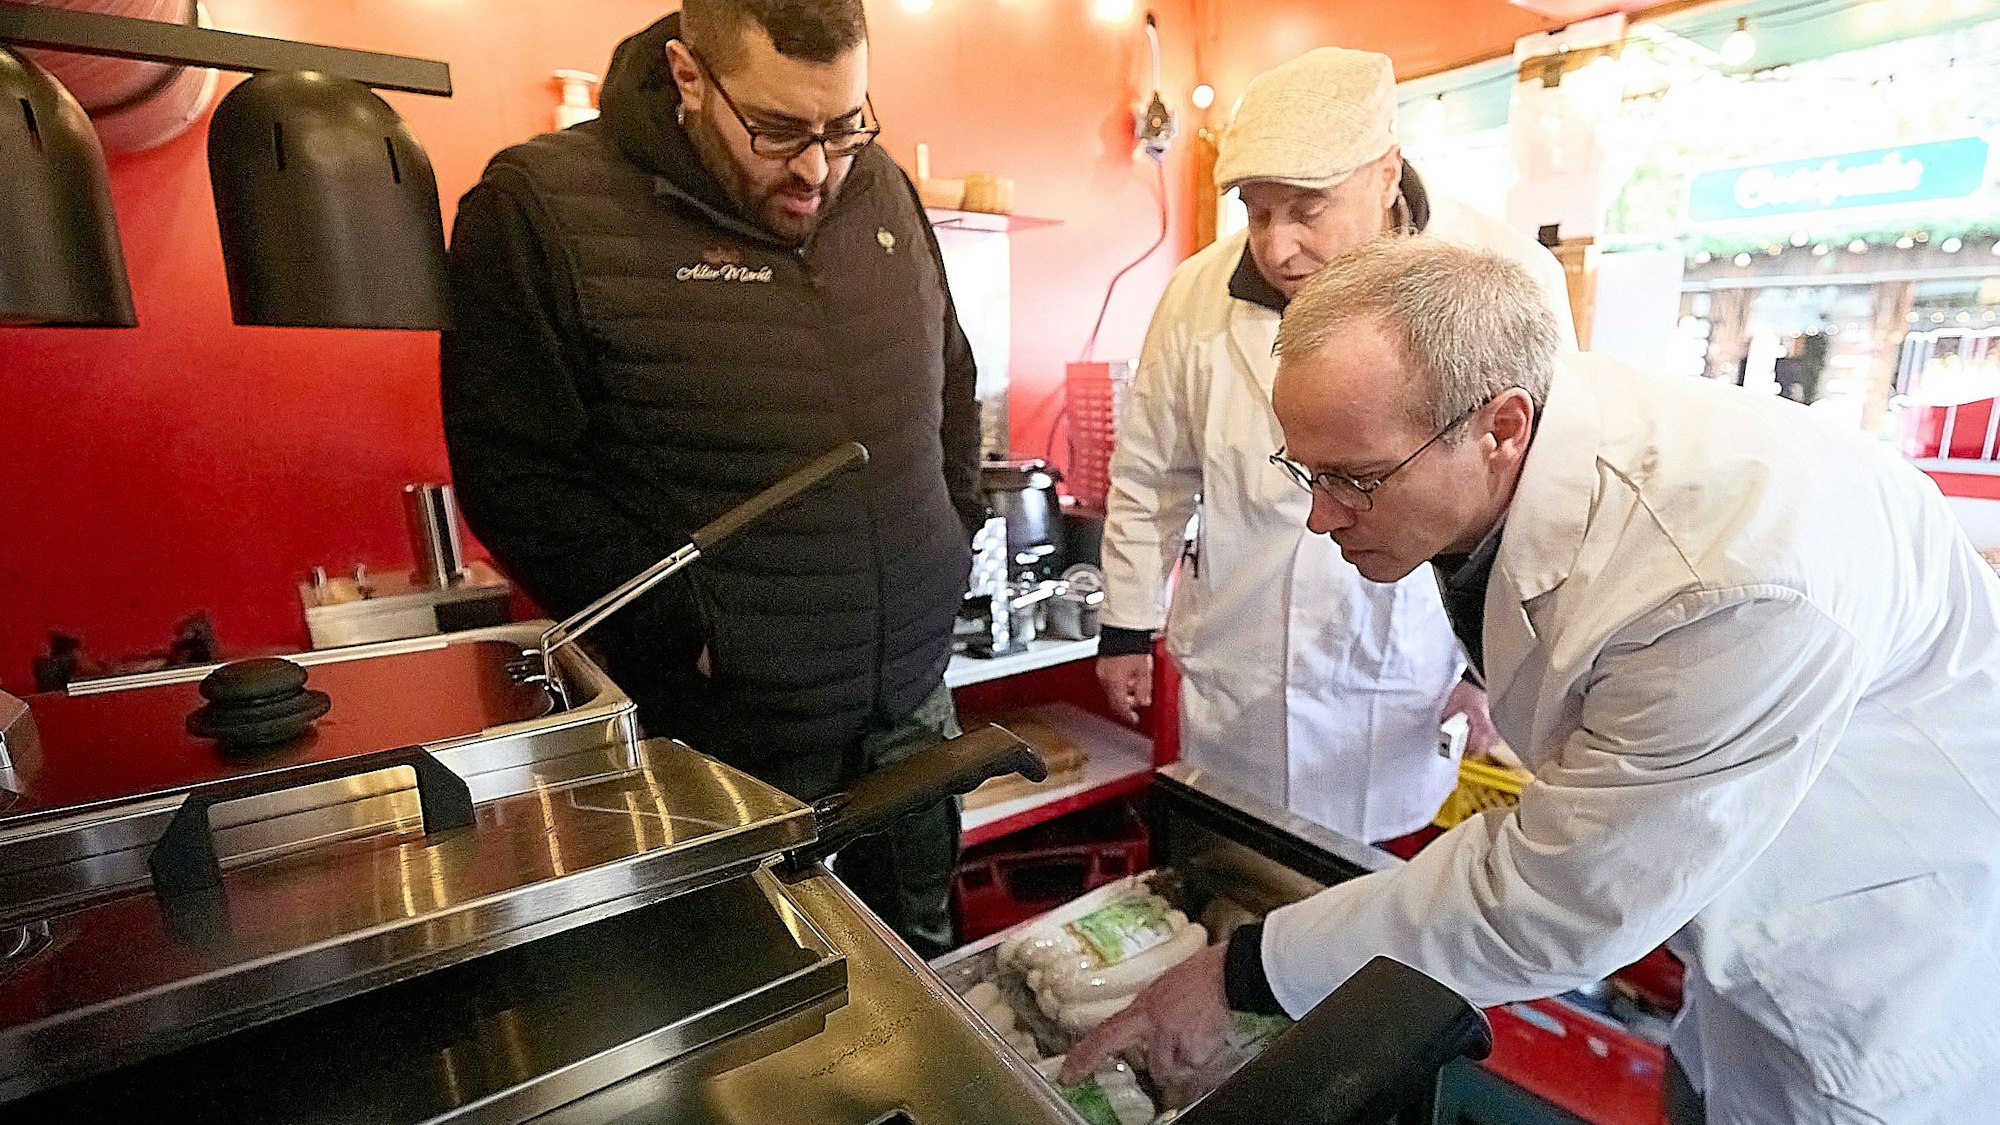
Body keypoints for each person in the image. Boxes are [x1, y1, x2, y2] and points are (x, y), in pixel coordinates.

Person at [1068, 238, 2000, 1123]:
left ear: (1501, 429)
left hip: (1884, 965)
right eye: (1303, 471)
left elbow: (1557, 897)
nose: (1319, 516)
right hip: (1743, 914)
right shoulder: (1528, 435)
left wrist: (1243, 974)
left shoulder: (1727, 574)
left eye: (1353, 479)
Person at [440, 0, 985, 957]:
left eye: (845, 126)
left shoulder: (883, 188)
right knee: (764, 1031)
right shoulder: (540, 207)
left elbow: (950, 374)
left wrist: (955, 529)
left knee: (930, 983)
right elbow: (514, 476)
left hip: (912, 714)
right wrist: (685, 631)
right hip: (726, 750)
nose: (817, 167)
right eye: (778, 131)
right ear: (691, 77)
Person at [1096, 47, 1575, 843]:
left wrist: (1492, 670)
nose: (1277, 247)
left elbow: (1539, 498)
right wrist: (1125, 627)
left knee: (1369, 915)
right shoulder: (1196, 295)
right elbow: (1152, 474)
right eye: (1256, 211)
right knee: (1233, 879)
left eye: (1307, 209)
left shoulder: (1505, 278)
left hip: (1400, 680)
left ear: (1387, 174)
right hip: (1237, 678)